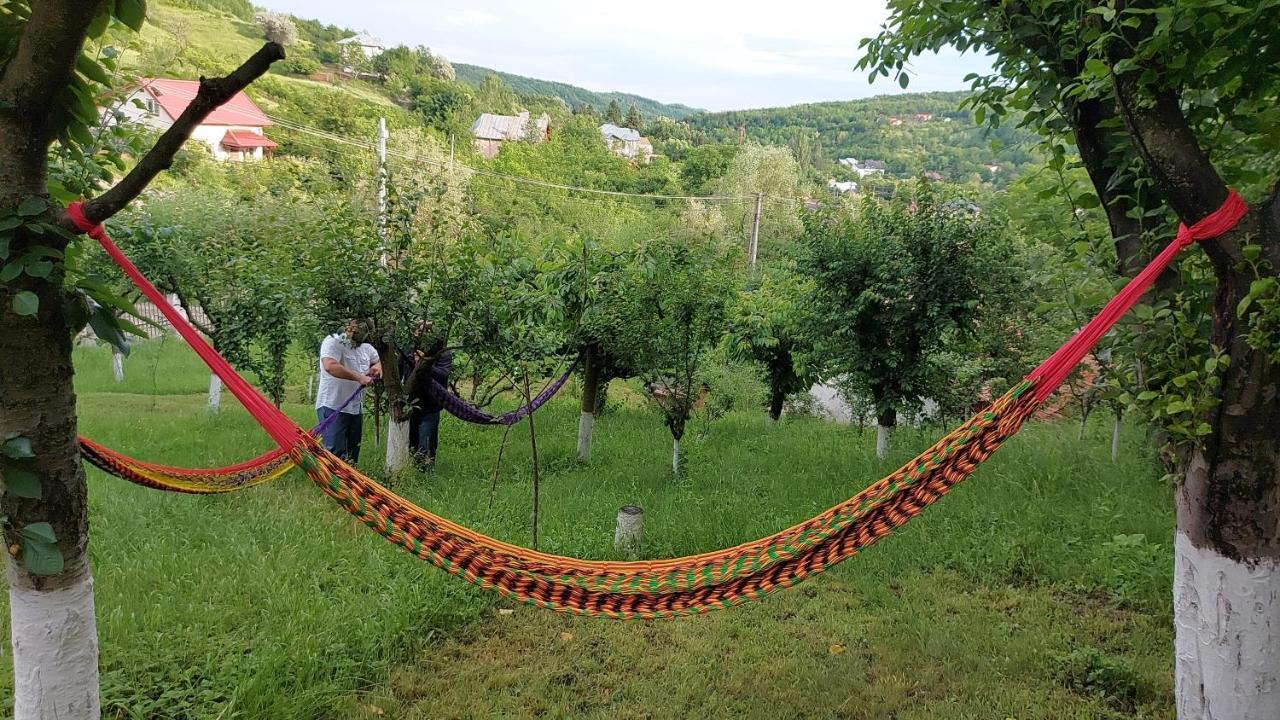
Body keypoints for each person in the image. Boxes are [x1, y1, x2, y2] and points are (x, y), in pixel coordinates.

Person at [315, 319, 381, 462]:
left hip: (356, 409)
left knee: (352, 453)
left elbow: (379, 361)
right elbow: (330, 366)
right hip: (333, 406)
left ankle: (349, 483)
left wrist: (377, 368)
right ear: (350, 328)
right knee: (335, 452)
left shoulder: (366, 347)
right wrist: (359, 378)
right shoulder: (333, 341)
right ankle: (332, 483)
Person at [405, 333, 452, 469]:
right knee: (411, 443)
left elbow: (442, 374)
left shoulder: (443, 353)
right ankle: (412, 472)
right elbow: (399, 369)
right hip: (410, 405)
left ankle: (425, 473)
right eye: (418, 331)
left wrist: (425, 363)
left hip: (431, 406)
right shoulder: (408, 349)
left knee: (426, 444)